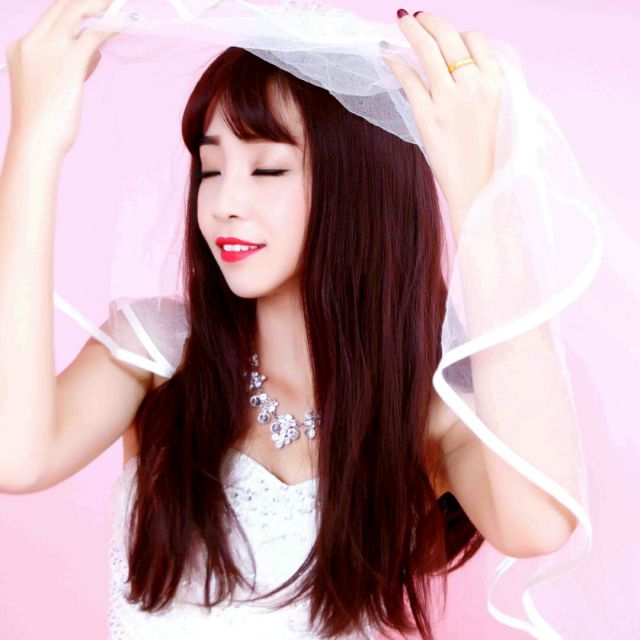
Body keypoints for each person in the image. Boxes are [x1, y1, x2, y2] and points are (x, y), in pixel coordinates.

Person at [1, 1, 631, 639]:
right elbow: (14, 457)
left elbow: (540, 522)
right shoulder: (159, 359)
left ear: (361, 186)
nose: (223, 202)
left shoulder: (426, 416)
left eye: (267, 169)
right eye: (211, 168)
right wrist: (34, 140)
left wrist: (478, 191)